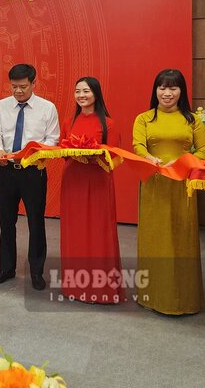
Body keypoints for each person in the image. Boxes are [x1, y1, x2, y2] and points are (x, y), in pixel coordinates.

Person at [132, 68, 205, 315]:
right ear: (155, 90)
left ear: (181, 91)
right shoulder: (144, 118)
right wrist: (152, 159)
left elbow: (204, 151)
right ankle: (152, 294)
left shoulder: (192, 120)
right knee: (155, 239)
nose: (167, 93)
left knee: (182, 239)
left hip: (183, 185)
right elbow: (137, 146)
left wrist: (181, 164)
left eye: (173, 87)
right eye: (162, 87)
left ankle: (184, 298)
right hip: (154, 184)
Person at [0, 64, 60, 290]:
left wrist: (32, 154)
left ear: (33, 83)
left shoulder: (47, 108)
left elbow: (53, 139)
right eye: (14, 86)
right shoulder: (1, 106)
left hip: (33, 172)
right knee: (6, 222)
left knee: (35, 222)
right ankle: (6, 268)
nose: (18, 91)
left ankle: (36, 271)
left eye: (23, 87)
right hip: (7, 171)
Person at [58, 77, 125, 303]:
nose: (81, 95)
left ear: (96, 93)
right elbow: (62, 150)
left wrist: (93, 156)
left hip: (98, 181)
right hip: (73, 180)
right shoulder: (68, 122)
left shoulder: (109, 123)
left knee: (99, 230)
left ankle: (102, 289)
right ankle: (74, 287)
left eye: (86, 91)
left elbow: (114, 156)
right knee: (74, 230)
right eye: (77, 91)